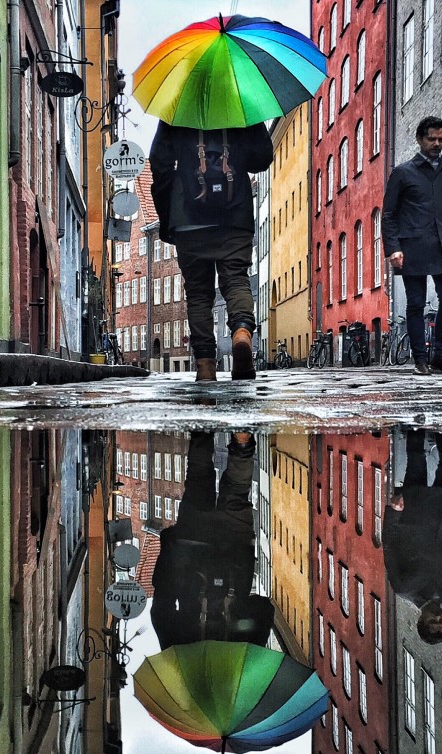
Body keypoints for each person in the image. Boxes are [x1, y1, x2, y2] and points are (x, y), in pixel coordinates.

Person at [150, 122, 274, 382]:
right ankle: (241, 332)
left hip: (188, 215)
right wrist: (237, 157)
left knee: (198, 293)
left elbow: (160, 164)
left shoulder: (177, 104)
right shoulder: (240, 98)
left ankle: (205, 365)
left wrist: (167, 215)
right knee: (236, 278)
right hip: (235, 212)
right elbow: (263, 157)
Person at [150, 431, 274, 648]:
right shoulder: (178, 658)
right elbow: (161, 605)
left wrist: (240, 610)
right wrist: (170, 551)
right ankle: (202, 424)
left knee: (237, 491)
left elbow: (264, 607)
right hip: (190, 548)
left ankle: (242, 442)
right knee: (199, 478)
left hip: (235, 556)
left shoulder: (241, 665)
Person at [381, 116, 442, 376]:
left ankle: (440, 355)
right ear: (420, 139)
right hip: (413, 248)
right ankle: (420, 359)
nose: (437, 143)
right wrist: (393, 248)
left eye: (441, 139)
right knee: (416, 303)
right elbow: (389, 214)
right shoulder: (403, 172)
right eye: (431, 139)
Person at [383, 430, 442, 645]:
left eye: (434, 621)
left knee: (416, 460)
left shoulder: (404, 588)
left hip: (414, 515)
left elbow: (390, 546)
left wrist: (394, 512)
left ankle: (416, 423)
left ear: (422, 620)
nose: (439, 617)